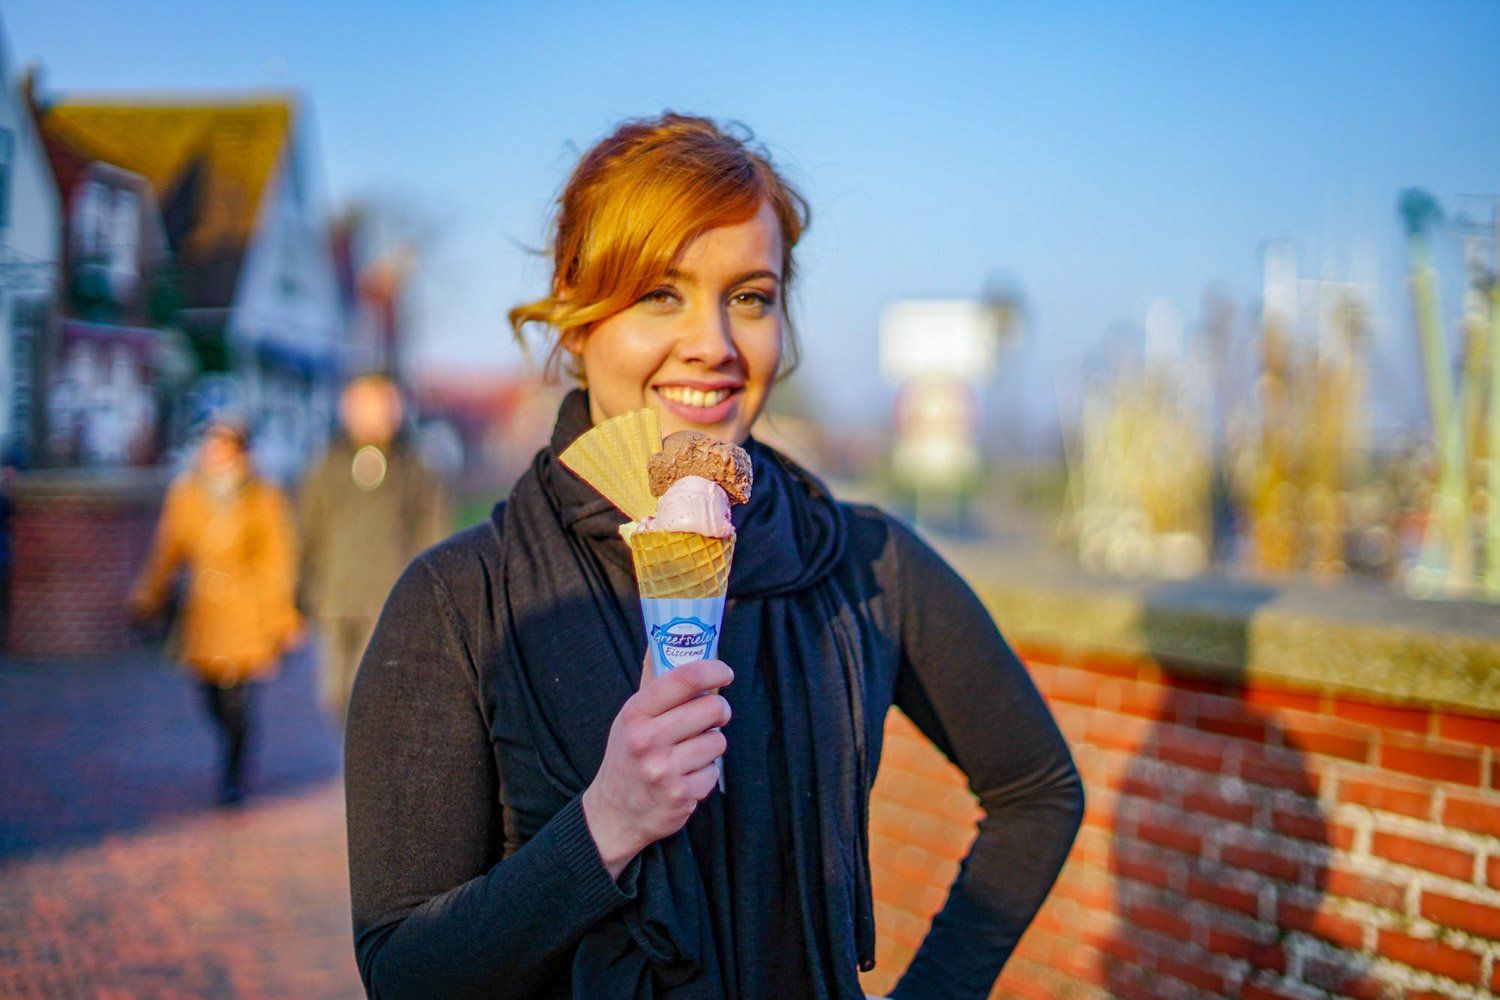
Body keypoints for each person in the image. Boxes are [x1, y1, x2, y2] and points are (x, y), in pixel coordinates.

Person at [344, 114, 1084, 999]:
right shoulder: (462, 600)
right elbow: (402, 970)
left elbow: (1039, 792)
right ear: (577, 317)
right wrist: (606, 825)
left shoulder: (864, 564)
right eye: (661, 293)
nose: (715, 345)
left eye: (751, 297)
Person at [129, 415, 301, 805]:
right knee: (210, 697)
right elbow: (167, 552)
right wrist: (146, 597)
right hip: (204, 611)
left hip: (245, 610)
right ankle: (229, 750)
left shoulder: (263, 496)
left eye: (225, 446)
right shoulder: (185, 495)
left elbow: (278, 559)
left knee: (237, 698)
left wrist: (283, 616)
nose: (217, 453)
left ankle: (232, 774)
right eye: (211, 445)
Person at [297, 373, 447, 727]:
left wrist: (426, 592)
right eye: (363, 405)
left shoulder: (412, 467)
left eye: (382, 405)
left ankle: (363, 757)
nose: (374, 414)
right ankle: (353, 750)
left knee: (369, 690)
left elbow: (430, 530)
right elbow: (307, 527)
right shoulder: (327, 464)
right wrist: (301, 590)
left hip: (387, 597)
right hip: (333, 597)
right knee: (334, 693)